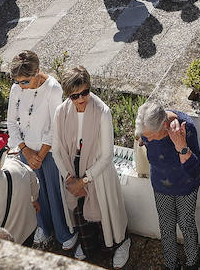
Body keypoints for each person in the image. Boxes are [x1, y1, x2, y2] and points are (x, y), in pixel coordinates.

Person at [53, 66, 131, 267]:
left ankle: (120, 244)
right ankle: (89, 245)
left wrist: (84, 180)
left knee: (107, 215)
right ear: (68, 95)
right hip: (72, 171)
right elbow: (57, 150)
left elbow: (106, 155)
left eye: (85, 92)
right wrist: (69, 178)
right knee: (81, 215)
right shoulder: (61, 113)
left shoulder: (102, 112)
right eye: (75, 95)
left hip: (98, 174)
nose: (81, 99)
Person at [8, 51, 78, 252]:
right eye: (18, 81)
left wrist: (40, 154)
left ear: (37, 72)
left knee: (56, 194)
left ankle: (65, 232)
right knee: (34, 194)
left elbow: (55, 126)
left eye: (24, 81)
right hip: (26, 151)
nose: (20, 85)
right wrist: (25, 150)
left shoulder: (53, 89)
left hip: (49, 151)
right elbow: (12, 123)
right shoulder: (16, 89)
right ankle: (43, 227)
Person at [136, 101, 200, 270]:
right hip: (161, 184)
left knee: (186, 223)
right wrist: (143, 139)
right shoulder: (146, 128)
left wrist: (182, 148)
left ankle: (192, 264)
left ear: (165, 125)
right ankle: (171, 265)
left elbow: (196, 169)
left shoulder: (185, 127)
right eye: (146, 136)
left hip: (186, 186)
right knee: (165, 225)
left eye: (151, 136)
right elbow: (142, 139)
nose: (148, 139)